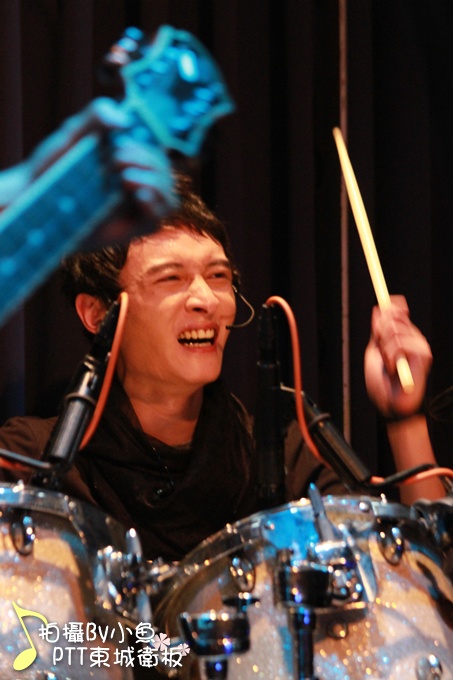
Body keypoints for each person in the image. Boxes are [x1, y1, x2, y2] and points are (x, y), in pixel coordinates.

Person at [0, 171, 443, 565]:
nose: (206, 300)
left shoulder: (279, 456)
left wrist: (405, 418)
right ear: (98, 314)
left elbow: (420, 587)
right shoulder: (30, 458)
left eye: (218, 276)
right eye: (171, 278)